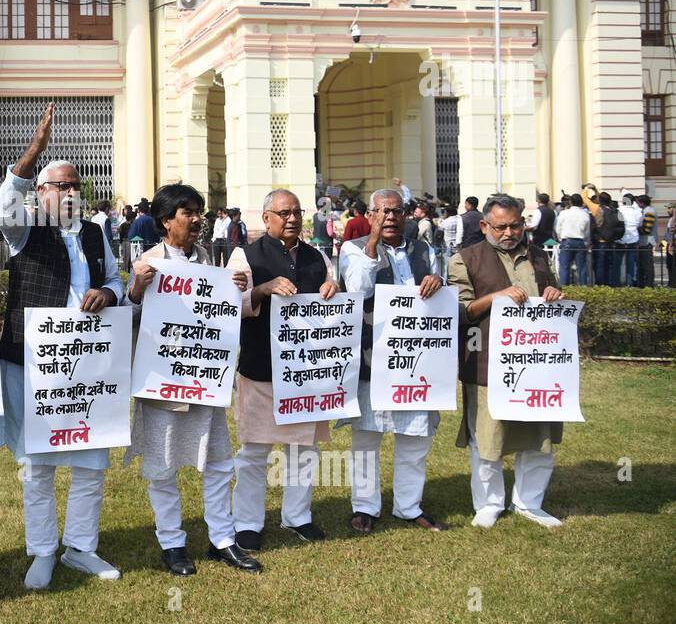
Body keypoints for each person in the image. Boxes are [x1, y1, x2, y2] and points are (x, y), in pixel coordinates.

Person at [0, 102, 125, 590]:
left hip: (88, 366)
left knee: (90, 459)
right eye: (60, 185)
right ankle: (42, 550)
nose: (70, 192)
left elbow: (115, 282)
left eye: (76, 185)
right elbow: (1, 207)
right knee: (36, 463)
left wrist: (107, 292)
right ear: (39, 192)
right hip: (30, 361)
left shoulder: (93, 232)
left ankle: (80, 547)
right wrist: (33, 152)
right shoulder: (23, 230)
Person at [126, 183, 261, 576]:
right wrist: (137, 289)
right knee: (162, 467)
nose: (197, 219)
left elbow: (223, 315)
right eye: (187, 212)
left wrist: (238, 292)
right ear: (166, 221)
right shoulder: (147, 263)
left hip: (203, 381)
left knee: (219, 463)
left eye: (199, 211)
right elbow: (129, 313)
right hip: (161, 383)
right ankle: (172, 544)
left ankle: (223, 539)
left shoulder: (210, 262)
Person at [226, 189, 340, 551]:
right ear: (266, 218)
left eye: (296, 212)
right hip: (261, 367)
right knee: (255, 450)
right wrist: (262, 289)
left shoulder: (317, 256)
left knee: (303, 449)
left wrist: (331, 287)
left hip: (307, 373)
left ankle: (298, 516)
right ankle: (246, 523)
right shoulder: (245, 255)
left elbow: (335, 292)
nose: (292, 219)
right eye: (284, 213)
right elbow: (230, 304)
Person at [449, 194, 566, 529]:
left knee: (539, 435)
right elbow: (459, 311)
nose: (509, 232)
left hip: (539, 365)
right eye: (500, 227)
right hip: (487, 362)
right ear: (485, 225)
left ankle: (530, 503)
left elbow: (553, 293)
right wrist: (494, 297)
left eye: (515, 225)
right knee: (488, 437)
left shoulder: (539, 256)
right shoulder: (465, 259)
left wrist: (555, 296)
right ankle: (488, 503)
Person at [337, 188, 448, 535]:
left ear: (405, 215)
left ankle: (408, 505)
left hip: (415, 360)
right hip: (372, 357)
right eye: (382, 211)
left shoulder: (423, 249)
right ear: (370, 215)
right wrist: (371, 244)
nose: (390, 217)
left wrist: (437, 280)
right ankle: (365, 506)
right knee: (367, 436)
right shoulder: (352, 250)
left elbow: (440, 289)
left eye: (396, 211)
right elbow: (356, 289)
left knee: (415, 436)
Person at [553, 193, 591, 285]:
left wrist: (560, 237)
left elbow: (557, 227)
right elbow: (587, 231)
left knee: (564, 267)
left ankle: (564, 288)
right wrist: (585, 241)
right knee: (582, 267)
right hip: (580, 241)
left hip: (567, 240)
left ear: (570, 202)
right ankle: (583, 287)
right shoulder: (585, 215)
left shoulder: (564, 213)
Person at [618, 194, 643, 287]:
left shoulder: (619, 210)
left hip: (620, 239)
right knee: (631, 263)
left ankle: (617, 283)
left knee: (618, 263)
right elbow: (639, 224)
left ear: (623, 201)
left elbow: (619, 223)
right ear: (633, 202)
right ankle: (630, 284)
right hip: (633, 239)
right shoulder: (638, 212)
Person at [636, 195, 657, 288]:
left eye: (638, 202)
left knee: (647, 264)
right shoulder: (646, 211)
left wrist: (635, 229)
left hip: (647, 241)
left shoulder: (649, 212)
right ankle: (643, 283)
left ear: (641, 203)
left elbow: (647, 229)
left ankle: (649, 284)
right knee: (642, 264)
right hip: (643, 242)